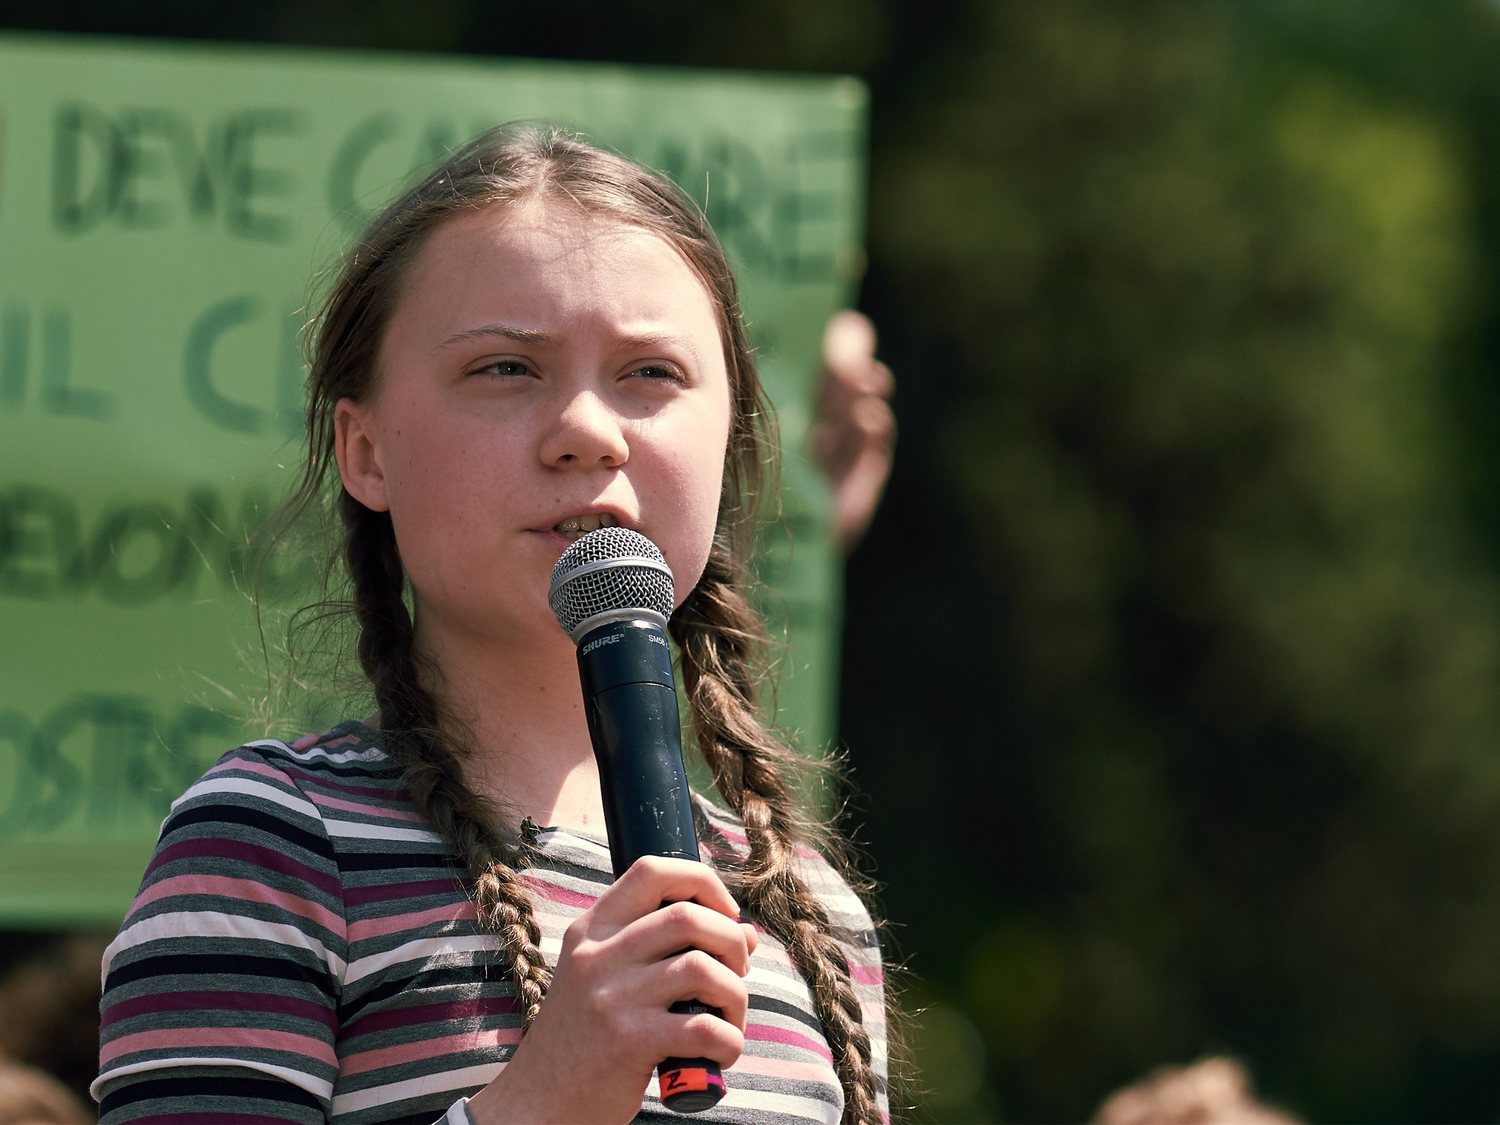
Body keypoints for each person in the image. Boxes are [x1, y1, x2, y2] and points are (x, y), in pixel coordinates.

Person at [93, 122, 890, 1124]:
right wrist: (548, 1094)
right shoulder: (274, 844)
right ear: (367, 448)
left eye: (652, 373)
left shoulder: (813, 916)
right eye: (507, 369)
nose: (589, 433)